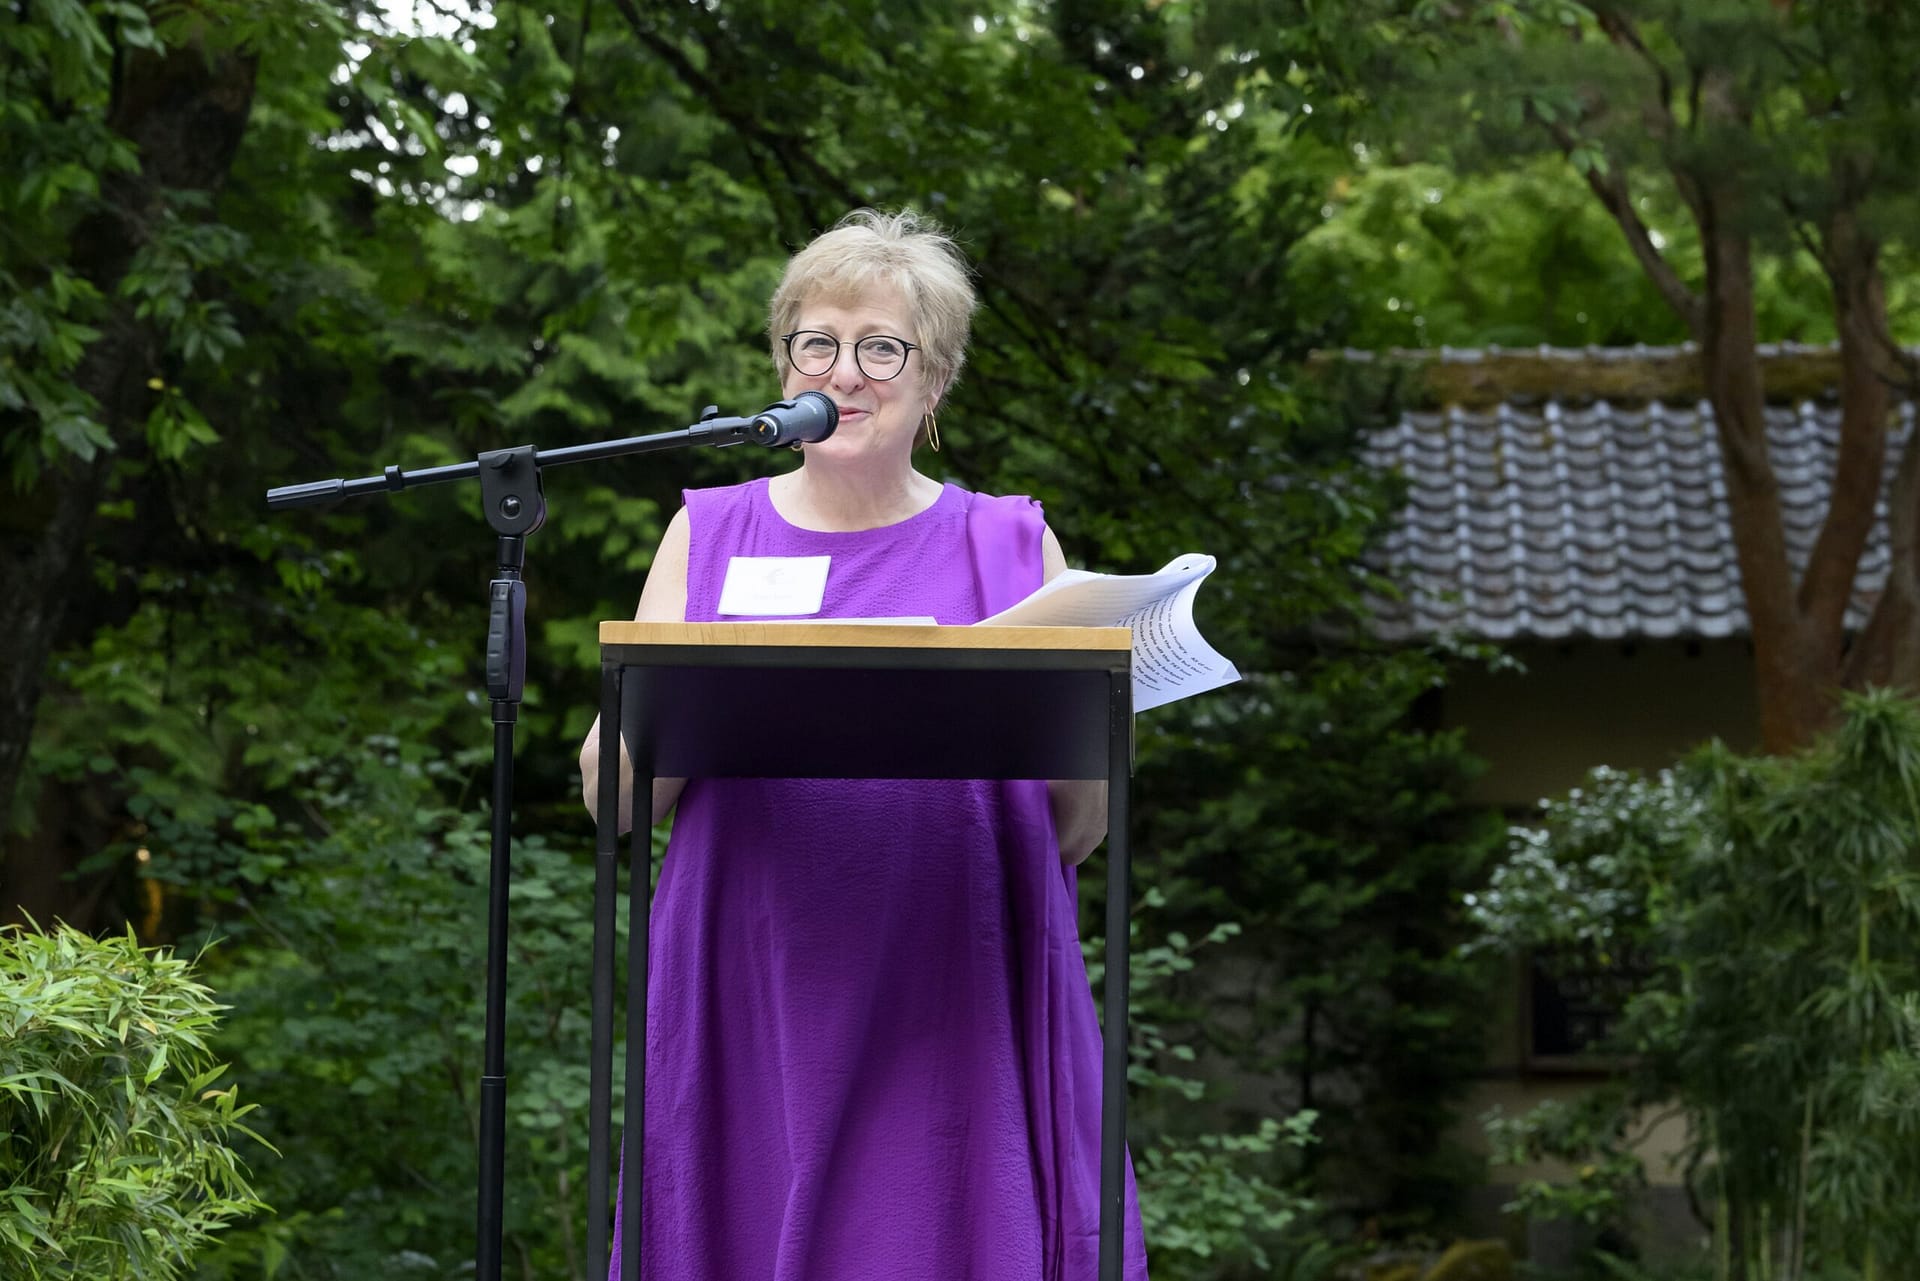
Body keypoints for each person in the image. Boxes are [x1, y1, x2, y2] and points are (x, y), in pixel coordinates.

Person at [579, 208, 1150, 1280]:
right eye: (818, 343)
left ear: (934, 384)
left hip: (956, 977)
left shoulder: (1012, 544)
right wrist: (646, 705)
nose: (847, 373)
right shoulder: (708, 533)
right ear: (782, 366)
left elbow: (1077, 831)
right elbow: (616, 803)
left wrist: (1084, 703)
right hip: (754, 976)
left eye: (883, 347)